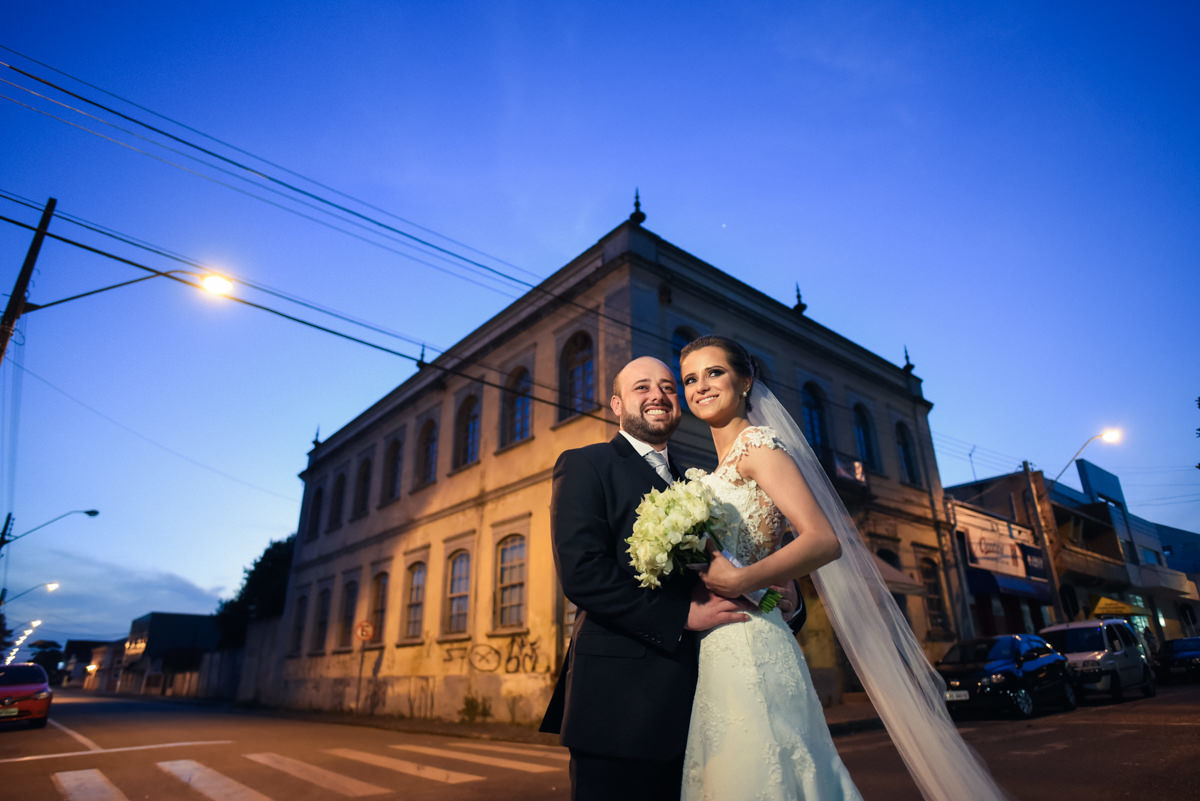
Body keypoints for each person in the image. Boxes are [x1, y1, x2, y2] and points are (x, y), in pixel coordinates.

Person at [678, 335, 1012, 801]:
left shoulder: (759, 447)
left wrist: (741, 579)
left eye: (714, 372)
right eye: (690, 378)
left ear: (746, 381)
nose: (700, 386)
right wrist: (773, 589)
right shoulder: (710, 475)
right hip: (724, 643)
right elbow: (759, 563)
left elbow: (822, 538)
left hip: (754, 647)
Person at [538, 356, 752, 801]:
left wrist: (779, 603)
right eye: (642, 387)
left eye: (668, 387)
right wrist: (683, 617)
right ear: (617, 404)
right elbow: (583, 575)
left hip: (700, 709)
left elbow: (727, 574)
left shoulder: (698, 482)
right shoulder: (584, 465)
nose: (658, 395)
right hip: (618, 709)